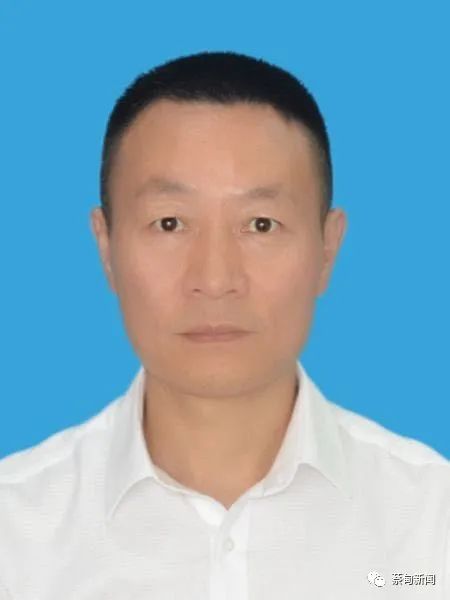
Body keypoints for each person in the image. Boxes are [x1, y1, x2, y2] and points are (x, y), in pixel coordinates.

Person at [0, 50, 448, 599]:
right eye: (170, 223)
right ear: (106, 246)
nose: (214, 280)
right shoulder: (15, 533)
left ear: (328, 249)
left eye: (261, 224)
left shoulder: (430, 527)